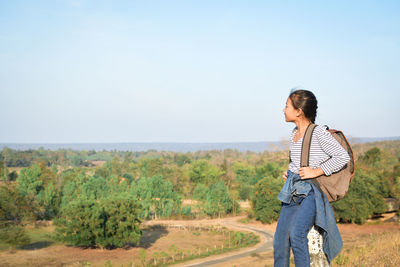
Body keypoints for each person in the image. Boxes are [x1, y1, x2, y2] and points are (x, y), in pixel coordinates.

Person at [273, 89, 350, 267]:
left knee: (297, 234)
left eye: (286, 106)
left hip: (311, 193)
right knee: (280, 240)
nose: (283, 110)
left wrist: (316, 171)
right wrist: (289, 171)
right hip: (292, 190)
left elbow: (342, 157)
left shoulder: (318, 133)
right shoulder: (294, 133)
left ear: (298, 111)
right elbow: (300, 160)